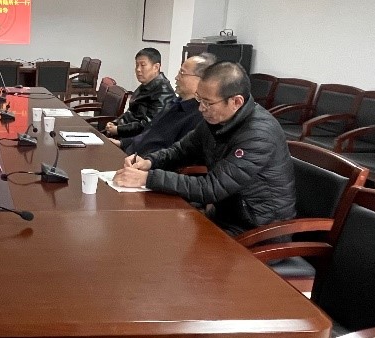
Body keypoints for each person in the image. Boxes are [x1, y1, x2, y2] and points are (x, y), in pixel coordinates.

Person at [113, 62, 295, 235]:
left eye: (208, 102)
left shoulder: (259, 134)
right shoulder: (216, 120)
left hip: (257, 227)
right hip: (226, 213)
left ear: (236, 102)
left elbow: (212, 187)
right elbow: (181, 150)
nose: (201, 108)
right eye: (199, 99)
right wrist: (149, 162)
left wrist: (148, 178)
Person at [120, 54, 215, 158]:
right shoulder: (174, 102)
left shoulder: (198, 116)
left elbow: (175, 155)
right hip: (130, 154)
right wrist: (122, 143)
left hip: (145, 162)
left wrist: (146, 162)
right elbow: (149, 132)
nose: (176, 77)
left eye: (182, 73)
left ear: (201, 79)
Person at [103, 47, 176, 140]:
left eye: (143, 65)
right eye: (137, 65)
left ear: (156, 67)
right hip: (129, 135)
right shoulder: (146, 84)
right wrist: (115, 123)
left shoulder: (163, 92)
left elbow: (149, 125)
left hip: (140, 141)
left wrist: (118, 129)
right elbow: (131, 112)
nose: (138, 69)